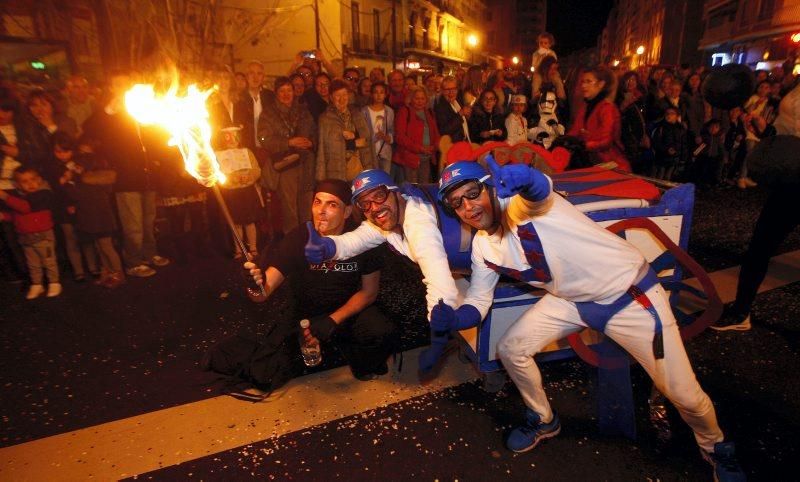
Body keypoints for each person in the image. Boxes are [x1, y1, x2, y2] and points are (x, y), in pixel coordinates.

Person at [436, 159, 745, 482]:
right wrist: (456, 318)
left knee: (682, 392)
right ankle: (544, 419)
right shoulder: (483, 246)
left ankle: (715, 444)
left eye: (472, 193)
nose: (468, 206)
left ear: (489, 187)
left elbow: (540, 189)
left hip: (629, 297)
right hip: (572, 300)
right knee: (512, 348)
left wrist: (526, 177)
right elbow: (480, 299)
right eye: (456, 202)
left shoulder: (522, 204)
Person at [245, 179, 397, 381]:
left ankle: (348, 348)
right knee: (266, 373)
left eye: (332, 204)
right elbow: (263, 293)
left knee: (380, 332)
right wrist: (254, 285)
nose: (321, 211)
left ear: (347, 212)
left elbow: (369, 293)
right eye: (317, 202)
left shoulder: (363, 238)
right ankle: (317, 341)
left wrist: (333, 321)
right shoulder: (298, 238)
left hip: (345, 310)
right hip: (304, 313)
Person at [301, 169, 467, 327]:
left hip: (480, 260)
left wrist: (438, 327)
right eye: (365, 203)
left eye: (379, 196)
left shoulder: (419, 225)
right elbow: (357, 240)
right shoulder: (388, 219)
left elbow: (440, 285)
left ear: (396, 193)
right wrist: (327, 246)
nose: (374, 207)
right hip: (462, 266)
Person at [712, 81, 800, 332]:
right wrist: (767, 130)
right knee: (760, 246)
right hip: (792, 179)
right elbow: (789, 131)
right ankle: (740, 312)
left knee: (761, 246)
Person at [81, 70, 170, 278]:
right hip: (126, 179)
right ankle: (133, 261)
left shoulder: (140, 110)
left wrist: (156, 160)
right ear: (112, 88)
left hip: (147, 175)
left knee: (149, 221)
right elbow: (90, 129)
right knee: (133, 225)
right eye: (119, 85)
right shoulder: (108, 114)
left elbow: (154, 137)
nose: (125, 89)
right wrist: (110, 110)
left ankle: (150, 253)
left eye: (128, 84)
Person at [58, 136, 125, 288]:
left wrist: (67, 182)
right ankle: (107, 272)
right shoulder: (96, 180)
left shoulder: (88, 181)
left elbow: (76, 195)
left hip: (99, 218)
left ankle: (118, 274)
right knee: (101, 247)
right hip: (95, 218)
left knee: (106, 247)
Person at [258, 76, 316, 234]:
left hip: (306, 162)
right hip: (287, 164)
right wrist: (289, 142)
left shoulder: (303, 110)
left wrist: (311, 142)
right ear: (276, 93)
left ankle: (308, 240)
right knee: (289, 208)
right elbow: (264, 139)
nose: (286, 94)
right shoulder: (269, 114)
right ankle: (292, 243)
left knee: (307, 205)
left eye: (289, 90)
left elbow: (314, 132)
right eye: (282, 91)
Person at [0, 166, 61, 299]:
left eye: (33, 179)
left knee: (49, 261)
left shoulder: (42, 194)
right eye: (25, 181)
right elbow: (16, 215)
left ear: (39, 180)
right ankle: (37, 284)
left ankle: (54, 282)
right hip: (25, 238)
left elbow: (25, 208)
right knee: (33, 264)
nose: (30, 184)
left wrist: (5, 196)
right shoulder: (21, 197)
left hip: (43, 236)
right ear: (18, 184)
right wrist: (4, 216)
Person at [568, 66, 631, 171]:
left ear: (601, 84)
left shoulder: (607, 108)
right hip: (590, 160)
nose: (583, 85)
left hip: (609, 164)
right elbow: (575, 130)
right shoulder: (585, 107)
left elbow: (606, 141)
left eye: (588, 81)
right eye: (583, 82)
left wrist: (584, 144)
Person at [316, 79, 375, 181]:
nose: (342, 99)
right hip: (336, 169)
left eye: (344, 94)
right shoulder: (325, 119)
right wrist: (353, 143)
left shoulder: (357, 114)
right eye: (337, 95)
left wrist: (355, 136)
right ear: (331, 97)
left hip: (359, 167)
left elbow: (367, 140)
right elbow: (323, 148)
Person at [394, 86, 439, 183]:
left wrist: (434, 147)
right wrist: (419, 148)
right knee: (412, 189)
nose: (420, 101)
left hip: (427, 157)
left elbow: (435, 133)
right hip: (410, 158)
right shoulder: (404, 112)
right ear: (411, 99)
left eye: (422, 98)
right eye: (417, 98)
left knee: (424, 187)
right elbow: (400, 137)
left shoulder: (429, 112)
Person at [361, 82, 395, 177]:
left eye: (381, 92)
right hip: (369, 152)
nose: (379, 95)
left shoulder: (389, 111)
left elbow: (392, 130)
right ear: (371, 94)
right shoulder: (364, 111)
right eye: (376, 92)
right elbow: (362, 133)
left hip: (385, 151)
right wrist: (374, 137)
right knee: (372, 179)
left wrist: (387, 137)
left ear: (385, 94)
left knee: (385, 179)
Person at [651, 107, 689, 181]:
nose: (669, 115)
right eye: (667, 113)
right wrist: (666, 150)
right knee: (659, 177)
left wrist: (683, 159)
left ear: (677, 116)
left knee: (668, 178)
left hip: (674, 160)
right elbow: (656, 143)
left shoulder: (681, 129)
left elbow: (684, 145)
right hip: (661, 159)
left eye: (672, 113)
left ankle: (663, 192)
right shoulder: (661, 128)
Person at [434, 76, 471, 144]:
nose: (451, 92)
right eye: (447, 90)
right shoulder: (440, 107)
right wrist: (460, 114)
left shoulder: (458, 101)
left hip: (463, 143)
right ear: (442, 90)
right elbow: (444, 131)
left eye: (454, 89)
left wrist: (468, 117)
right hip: (451, 146)